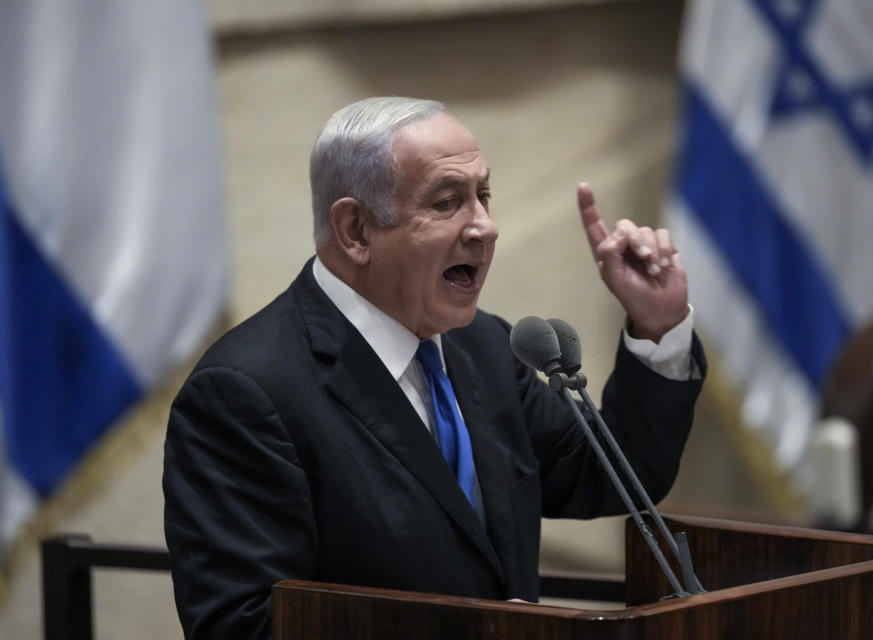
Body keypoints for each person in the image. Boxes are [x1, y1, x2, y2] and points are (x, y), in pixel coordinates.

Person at [163, 97, 705, 639]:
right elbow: (241, 628)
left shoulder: (484, 346)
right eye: (448, 203)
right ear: (355, 230)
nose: (486, 228)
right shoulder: (245, 393)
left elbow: (611, 476)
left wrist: (658, 325)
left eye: (483, 196)